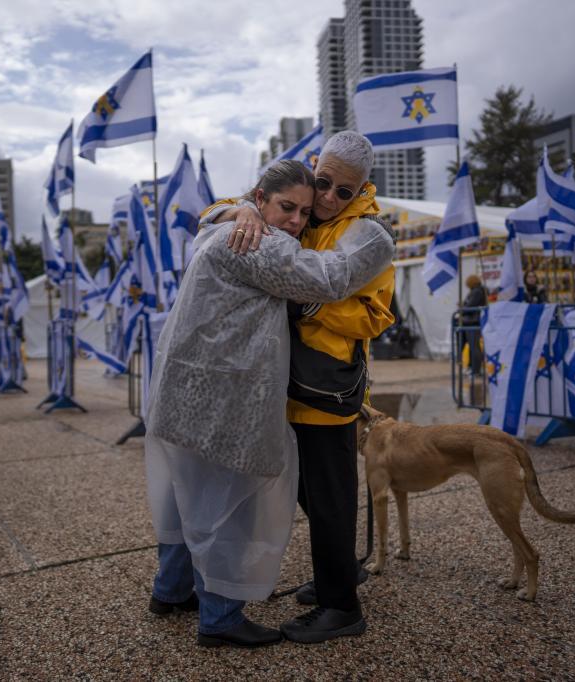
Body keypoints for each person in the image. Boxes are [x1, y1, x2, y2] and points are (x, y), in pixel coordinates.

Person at [146, 160, 394, 649]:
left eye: (304, 212)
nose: (297, 220)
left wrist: (236, 210)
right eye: (287, 206)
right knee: (225, 505)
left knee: (185, 495)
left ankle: (171, 591)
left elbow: (209, 217)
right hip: (220, 403)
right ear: (260, 199)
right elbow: (331, 277)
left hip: (183, 394)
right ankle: (219, 620)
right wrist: (379, 239)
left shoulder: (219, 234)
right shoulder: (256, 241)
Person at [210, 131, 397, 643]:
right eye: (324, 183)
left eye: (344, 190)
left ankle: (343, 607)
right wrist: (242, 213)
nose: (330, 197)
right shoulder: (304, 208)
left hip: (326, 389)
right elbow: (228, 203)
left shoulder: (367, 232)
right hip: (285, 380)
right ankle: (341, 569)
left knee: (331, 495)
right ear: (314, 167)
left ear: (361, 190)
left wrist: (309, 305)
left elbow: (377, 315)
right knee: (305, 491)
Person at [461, 274, 488, 376]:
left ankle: (476, 369)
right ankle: (472, 367)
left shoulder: (477, 291)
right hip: (471, 321)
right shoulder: (477, 291)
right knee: (473, 347)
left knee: (475, 347)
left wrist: (462, 308)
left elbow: (470, 305)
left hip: (473, 321)